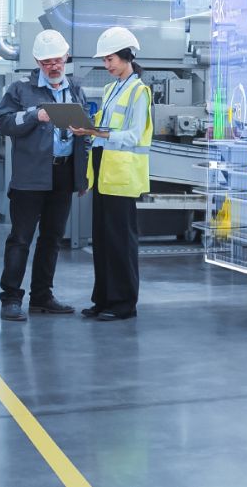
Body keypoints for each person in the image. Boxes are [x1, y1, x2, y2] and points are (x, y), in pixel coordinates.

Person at [0, 30, 89, 322]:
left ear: (66, 57)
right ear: (37, 61)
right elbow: (4, 123)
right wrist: (36, 115)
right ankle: (11, 298)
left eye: (58, 60)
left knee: (52, 238)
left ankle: (42, 296)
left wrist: (81, 176)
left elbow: (83, 134)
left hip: (62, 173)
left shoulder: (74, 88)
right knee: (21, 239)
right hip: (30, 178)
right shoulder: (20, 89)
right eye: (47, 61)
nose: (53, 66)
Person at [70, 27, 153, 321]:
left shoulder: (139, 91)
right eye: (105, 60)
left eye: (111, 59)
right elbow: (103, 131)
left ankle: (123, 304)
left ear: (128, 56)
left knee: (121, 242)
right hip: (104, 172)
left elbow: (132, 136)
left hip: (122, 176)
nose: (107, 66)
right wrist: (86, 129)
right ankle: (103, 299)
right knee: (102, 241)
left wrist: (93, 130)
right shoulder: (109, 90)